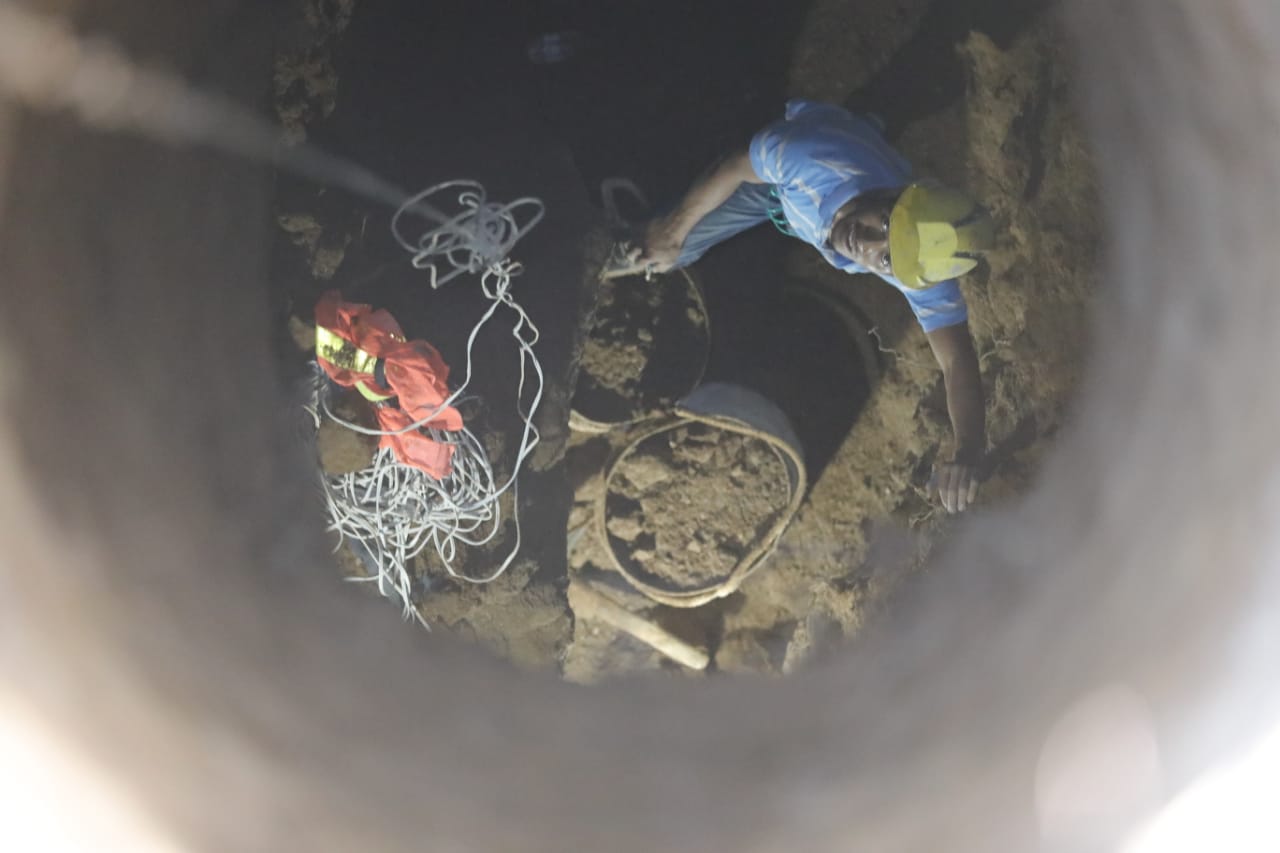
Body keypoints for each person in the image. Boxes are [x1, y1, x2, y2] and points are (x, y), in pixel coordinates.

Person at [626, 99, 995, 513]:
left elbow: (956, 361)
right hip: (783, 185)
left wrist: (968, 448)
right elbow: (734, 166)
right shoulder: (808, 158)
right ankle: (616, 248)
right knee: (668, 250)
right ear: (898, 193)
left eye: (887, 258)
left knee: (850, 147)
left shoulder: (915, 263)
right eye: (885, 223)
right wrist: (672, 232)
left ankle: (865, 123)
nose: (866, 244)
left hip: (812, 200)